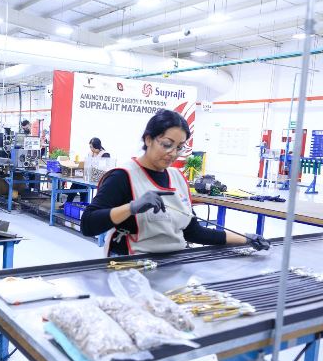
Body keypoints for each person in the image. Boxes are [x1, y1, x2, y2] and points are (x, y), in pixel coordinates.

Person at [80, 109, 269, 256]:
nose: (173, 153)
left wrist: (245, 238)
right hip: (132, 265)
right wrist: (131, 208)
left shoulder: (177, 178)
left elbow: (192, 232)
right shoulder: (123, 176)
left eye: (179, 147)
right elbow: (88, 225)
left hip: (173, 262)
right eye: (167, 144)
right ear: (148, 139)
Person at [64, 137, 111, 205]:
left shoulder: (105, 155)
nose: (91, 149)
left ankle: (83, 204)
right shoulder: (91, 153)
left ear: (97, 146)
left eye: (92, 147)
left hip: (98, 178)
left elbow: (105, 168)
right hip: (89, 176)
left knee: (82, 185)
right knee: (75, 183)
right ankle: (68, 203)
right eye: (90, 147)